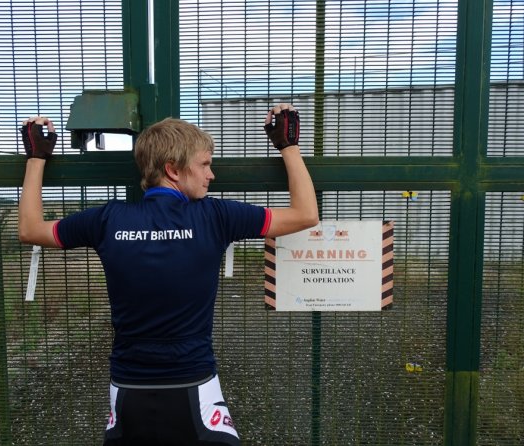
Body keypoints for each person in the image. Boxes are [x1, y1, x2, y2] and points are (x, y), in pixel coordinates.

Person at [18, 103, 318, 445]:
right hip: (194, 385)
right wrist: (288, 145)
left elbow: (29, 229)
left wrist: (36, 157)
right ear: (173, 169)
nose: (211, 175)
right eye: (205, 165)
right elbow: (306, 214)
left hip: (128, 388)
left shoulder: (107, 220)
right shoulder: (216, 216)